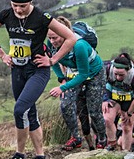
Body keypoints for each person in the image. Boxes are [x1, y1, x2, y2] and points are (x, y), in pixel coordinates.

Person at [0, 0, 77, 159]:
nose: (18, 10)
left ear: (30, 2)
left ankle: (19, 153)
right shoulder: (6, 14)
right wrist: (1, 54)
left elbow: (71, 37)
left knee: (19, 110)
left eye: (23, 6)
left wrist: (52, 60)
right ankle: (40, 155)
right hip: (17, 70)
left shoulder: (42, 17)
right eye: (15, 5)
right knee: (29, 111)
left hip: (37, 71)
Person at [46, 17, 108, 151]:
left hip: (94, 74)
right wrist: (61, 78)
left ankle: (102, 139)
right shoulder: (51, 43)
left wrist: (62, 87)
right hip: (75, 72)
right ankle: (76, 138)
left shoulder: (79, 46)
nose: (52, 41)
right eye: (50, 38)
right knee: (66, 105)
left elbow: (83, 75)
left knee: (94, 111)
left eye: (55, 38)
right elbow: (52, 61)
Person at [102, 54, 134, 151]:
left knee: (127, 126)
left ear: (128, 71)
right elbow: (100, 84)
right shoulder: (107, 69)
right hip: (112, 96)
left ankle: (125, 152)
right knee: (107, 119)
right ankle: (112, 144)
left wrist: (129, 113)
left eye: (121, 75)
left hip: (129, 100)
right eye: (116, 74)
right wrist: (104, 99)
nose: (118, 77)